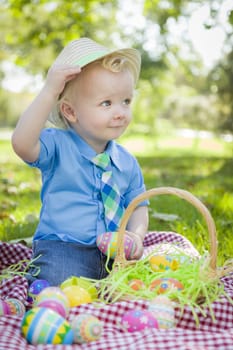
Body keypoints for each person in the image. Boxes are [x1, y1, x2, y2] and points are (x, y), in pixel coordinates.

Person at [11, 37, 149, 286]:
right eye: (106, 103)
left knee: (138, 286)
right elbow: (22, 144)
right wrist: (50, 90)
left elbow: (138, 205)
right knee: (58, 283)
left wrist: (136, 237)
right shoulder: (57, 146)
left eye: (126, 101)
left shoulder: (126, 162)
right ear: (70, 112)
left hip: (114, 255)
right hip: (65, 247)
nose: (120, 112)